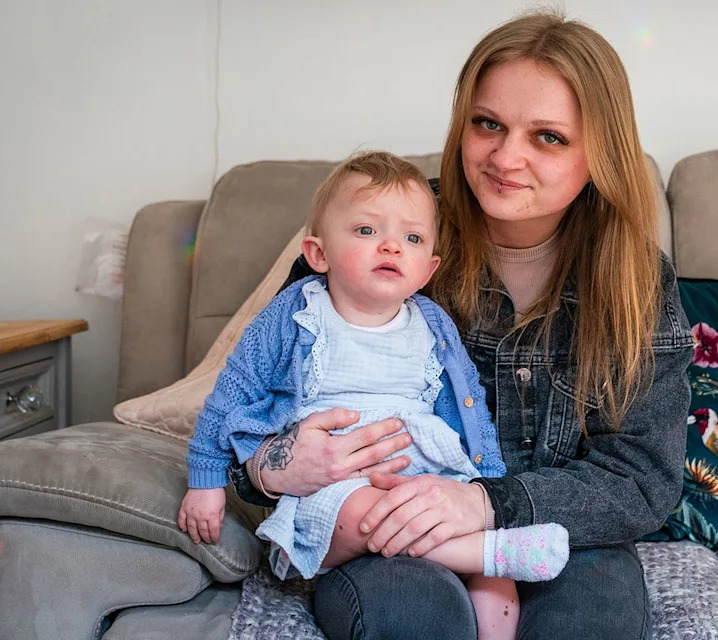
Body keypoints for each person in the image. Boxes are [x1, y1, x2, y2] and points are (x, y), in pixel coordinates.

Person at [232, 11, 694, 640]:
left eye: (548, 137)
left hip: (561, 531)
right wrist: (273, 465)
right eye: (488, 124)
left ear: (600, 153)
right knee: (417, 616)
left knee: (592, 620)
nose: (506, 157)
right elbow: (248, 414)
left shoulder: (637, 276)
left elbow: (642, 478)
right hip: (395, 524)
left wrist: (483, 502)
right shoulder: (387, 230)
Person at [178, 151, 569, 640]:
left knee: (494, 581)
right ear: (318, 254)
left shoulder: (432, 325)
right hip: (337, 487)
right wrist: (206, 479)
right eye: (366, 230)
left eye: (412, 238)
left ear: (428, 270)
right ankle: (484, 552)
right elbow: (232, 393)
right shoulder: (298, 314)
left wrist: (485, 483)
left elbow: (469, 410)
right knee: (368, 515)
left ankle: (491, 578)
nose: (391, 246)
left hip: (428, 480)